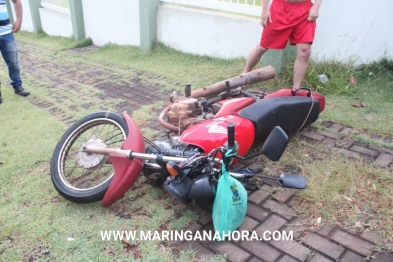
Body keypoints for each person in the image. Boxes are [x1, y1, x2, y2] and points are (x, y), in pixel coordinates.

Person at [243, 0, 322, 91]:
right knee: (262, 47)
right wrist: (264, 9)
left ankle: (296, 89)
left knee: (305, 51)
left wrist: (316, 5)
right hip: (280, 8)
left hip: (305, 10)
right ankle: (243, 76)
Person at [0, 0, 29, 104]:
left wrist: (19, 20)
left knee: (13, 62)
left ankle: (17, 86)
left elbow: (16, 1)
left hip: (7, 33)